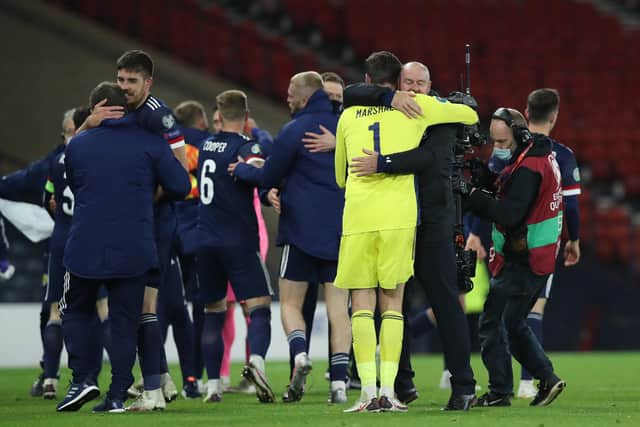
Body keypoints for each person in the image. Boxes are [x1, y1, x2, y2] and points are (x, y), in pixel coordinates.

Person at [334, 51, 479, 413]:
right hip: (397, 218)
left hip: (430, 219)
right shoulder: (394, 106)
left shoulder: (436, 112)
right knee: (391, 304)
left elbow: (430, 159)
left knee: (444, 302)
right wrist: (386, 98)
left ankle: (463, 385)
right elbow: (352, 91)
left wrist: (382, 163)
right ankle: (401, 383)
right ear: (397, 86)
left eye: (420, 83)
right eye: (407, 83)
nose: (413, 89)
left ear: (430, 86)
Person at [56, 82, 190, 413]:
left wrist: (85, 128)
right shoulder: (150, 144)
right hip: (135, 245)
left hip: (85, 244)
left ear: (94, 108)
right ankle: (117, 393)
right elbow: (181, 185)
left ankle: (83, 377)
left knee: (74, 309)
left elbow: (73, 181)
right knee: (124, 320)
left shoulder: (78, 145)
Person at [229, 71, 350, 404]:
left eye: (290, 92)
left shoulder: (295, 129)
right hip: (342, 231)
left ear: (305, 96)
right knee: (340, 310)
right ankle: (339, 385)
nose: (286, 97)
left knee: (291, 303)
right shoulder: (348, 127)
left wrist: (241, 170)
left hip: (301, 231)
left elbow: (268, 174)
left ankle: (300, 355)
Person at [85, 50, 186, 409]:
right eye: (121, 80)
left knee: (145, 303)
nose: (124, 87)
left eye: (132, 81)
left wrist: (143, 201)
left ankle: (154, 389)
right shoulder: (121, 110)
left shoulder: (159, 116)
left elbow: (178, 171)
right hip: (135, 222)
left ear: (148, 82)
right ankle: (159, 382)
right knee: (141, 304)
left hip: (156, 221)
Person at [460, 107, 566, 407]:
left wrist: (473, 195)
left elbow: (509, 214)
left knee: (492, 322)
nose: (498, 149)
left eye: (503, 143)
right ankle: (547, 378)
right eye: (495, 142)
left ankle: (499, 391)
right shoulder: (538, 156)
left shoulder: (529, 168)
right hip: (538, 254)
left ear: (519, 136)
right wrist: (492, 180)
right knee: (513, 321)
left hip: (525, 258)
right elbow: (518, 194)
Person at [196, 90, 274, 404]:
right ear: (246, 114)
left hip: (205, 242)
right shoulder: (245, 146)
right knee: (260, 308)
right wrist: (247, 169)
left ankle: (213, 384)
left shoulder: (204, 146)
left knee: (214, 313)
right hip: (238, 240)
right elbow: (261, 171)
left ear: (218, 112)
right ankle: (255, 363)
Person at [515, 88, 581, 398]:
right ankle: (529, 382)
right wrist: (574, 239)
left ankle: (497, 383)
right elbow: (570, 205)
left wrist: (475, 233)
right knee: (534, 308)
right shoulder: (562, 155)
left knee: (501, 310)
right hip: (543, 241)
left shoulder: (511, 147)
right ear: (554, 116)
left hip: (505, 239)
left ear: (526, 112)